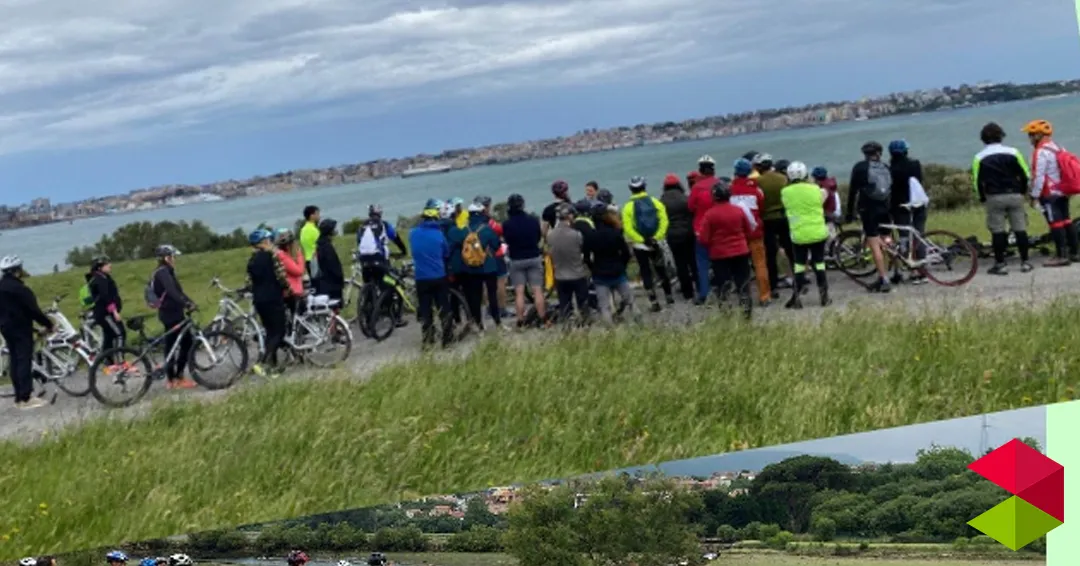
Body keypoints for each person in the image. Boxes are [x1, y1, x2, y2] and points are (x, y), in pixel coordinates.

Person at [973, 122, 1033, 274]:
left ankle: (1000, 264)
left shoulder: (979, 157)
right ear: (1001, 136)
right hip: (1014, 193)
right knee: (1020, 229)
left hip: (994, 196)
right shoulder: (1013, 152)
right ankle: (1025, 262)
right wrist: (1023, 190)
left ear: (983, 139)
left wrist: (982, 197)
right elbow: (1025, 174)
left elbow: (977, 181)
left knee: (997, 231)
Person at [0, 255, 54, 409]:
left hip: (5, 328)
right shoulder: (21, 289)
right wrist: (49, 324)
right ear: (17, 270)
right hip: (21, 329)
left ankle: (19, 397)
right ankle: (26, 397)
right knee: (24, 360)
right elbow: (34, 311)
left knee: (15, 361)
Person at [1023, 119, 1079, 266]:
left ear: (1038, 135)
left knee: (1055, 224)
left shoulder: (1040, 152)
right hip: (1062, 191)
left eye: (1031, 134)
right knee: (1067, 220)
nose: (1029, 138)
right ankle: (1075, 252)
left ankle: (1061, 255)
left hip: (1049, 193)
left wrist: (1034, 196)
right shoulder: (1056, 147)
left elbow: (1038, 176)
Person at [697, 179, 753, 320]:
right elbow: (748, 230)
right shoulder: (738, 211)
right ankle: (747, 315)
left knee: (723, 286)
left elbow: (703, 239)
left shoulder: (710, 215)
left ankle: (726, 315)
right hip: (741, 252)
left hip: (719, 255)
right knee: (743, 285)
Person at [844, 141, 894, 292]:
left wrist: (849, 213)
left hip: (869, 210)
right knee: (887, 240)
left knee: (874, 244)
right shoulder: (885, 167)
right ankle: (895, 271)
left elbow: (853, 191)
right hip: (885, 209)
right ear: (879, 153)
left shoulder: (860, 167)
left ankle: (883, 278)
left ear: (865, 154)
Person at [781, 162, 832, 308]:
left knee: (799, 265)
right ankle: (824, 297)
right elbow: (823, 196)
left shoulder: (785, 192)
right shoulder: (816, 189)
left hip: (799, 233)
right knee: (819, 263)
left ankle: (796, 298)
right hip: (818, 231)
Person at [148, 245, 198, 389]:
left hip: (169, 312)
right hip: (171, 313)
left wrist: (190, 301)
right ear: (166, 258)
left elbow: (178, 292)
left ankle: (172, 380)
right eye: (173, 257)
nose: (174, 259)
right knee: (186, 343)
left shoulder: (163, 272)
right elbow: (172, 292)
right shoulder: (163, 273)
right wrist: (186, 304)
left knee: (172, 345)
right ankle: (177, 378)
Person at [448, 202, 503, 330]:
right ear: (482, 213)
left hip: (472, 268)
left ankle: (479, 325)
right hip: (489, 266)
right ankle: (497, 322)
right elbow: (496, 245)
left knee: (475, 297)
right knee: (492, 295)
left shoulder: (464, 230)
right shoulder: (487, 229)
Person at [621, 175, 673, 311]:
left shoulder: (627, 207)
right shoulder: (655, 202)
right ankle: (669, 296)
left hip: (640, 245)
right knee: (661, 269)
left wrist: (641, 240)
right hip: (656, 242)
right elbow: (664, 221)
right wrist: (656, 237)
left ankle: (654, 301)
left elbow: (628, 229)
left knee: (646, 272)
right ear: (644, 187)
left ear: (631, 189)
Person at [410, 200, 454, 348]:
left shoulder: (413, 234)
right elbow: (446, 253)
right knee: (444, 308)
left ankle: (428, 340)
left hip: (421, 277)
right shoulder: (439, 235)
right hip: (438, 276)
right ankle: (447, 340)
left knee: (425, 310)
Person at [357, 204, 408, 327]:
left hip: (364, 261)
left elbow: (359, 242)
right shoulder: (384, 224)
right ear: (380, 214)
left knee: (369, 287)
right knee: (392, 285)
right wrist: (403, 251)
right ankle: (395, 317)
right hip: (379, 260)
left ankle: (368, 317)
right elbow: (396, 238)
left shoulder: (361, 226)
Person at [583, 202, 635, 325]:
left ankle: (610, 333)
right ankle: (640, 325)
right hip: (617, 271)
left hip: (600, 274)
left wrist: (593, 268)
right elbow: (626, 253)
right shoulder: (616, 233)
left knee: (604, 306)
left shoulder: (590, 236)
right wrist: (622, 265)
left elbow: (586, 258)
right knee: (630, 301)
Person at [246, 229, 289, 374]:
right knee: (279, 331)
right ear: (264, 242)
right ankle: (262, 363)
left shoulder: (251, 260)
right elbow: (281, 276)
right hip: (273, 296)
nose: (271, 243)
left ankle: (273, 366)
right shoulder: (272, 256)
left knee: (269, 332)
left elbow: (249, 282)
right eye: (269, 240)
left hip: (259, 299)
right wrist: (288, 288)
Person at [729, 159, 771, 305]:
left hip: (738, 233)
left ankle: (743, 295)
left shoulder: (729, 190)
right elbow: (761, 208)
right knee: (760, 264)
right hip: (755, 232)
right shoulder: (756, 190)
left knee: (739, 267)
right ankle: (764, 296)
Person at [887, 139, 928, 284]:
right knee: (919, 235)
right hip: (918, 204)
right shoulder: (915, 164)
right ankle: (922, 269)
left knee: (904, 238)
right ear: (906, 151)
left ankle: (912, 269)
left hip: (900, 207)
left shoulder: (890, 169)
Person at [502, 193, 547, 325]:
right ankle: (543, 318)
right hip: (533, 256)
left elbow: (507, 240)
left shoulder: (507, 224)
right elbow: (538, 237)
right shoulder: (533, 220)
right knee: (537, 290)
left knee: (519, 292)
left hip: (516, 259)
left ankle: (520, 320)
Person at [756, 153, 795, 295]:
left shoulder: (758, 181)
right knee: (791, 250)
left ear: (760, 167)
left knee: (770, 254)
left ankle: (772, 285)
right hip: (783, 217)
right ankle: (798, 279)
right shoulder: (783, 178)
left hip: (767, 220)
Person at [547, 203, 591, 323]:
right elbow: (582, 249)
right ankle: (585, 323)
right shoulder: (576, 235)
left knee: (564, 304)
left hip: (560, 275)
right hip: (577, 273)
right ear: (570, 216)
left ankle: (567, 326)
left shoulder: (550, 235)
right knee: (583, 303)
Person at [660, 172, 697, 300]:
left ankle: (688, 293)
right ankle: (700, 286)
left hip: (673, 235)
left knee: (680, 264)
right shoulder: (685, 198)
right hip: (688, 232)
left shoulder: (662, 201)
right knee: (693, 261)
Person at [688, 155, 718, 304]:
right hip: (719, 228)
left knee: (702, 263)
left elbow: (691, 207)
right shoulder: (720, 184)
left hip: (701, 229)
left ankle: (704, 294)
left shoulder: (696, 188)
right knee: (720, 260)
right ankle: (722, 288)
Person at [477, 195, 512, 320]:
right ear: (485, 207)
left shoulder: (473, 222)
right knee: (501, 282)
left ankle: (488, 309)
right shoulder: (489, 222)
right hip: (496, 254)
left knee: (487, 284)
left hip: (481, 256)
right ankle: (501, 308)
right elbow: (501, 230)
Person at [87, 255, 125, 363]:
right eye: (107, 264)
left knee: (109, 335)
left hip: (103, 313)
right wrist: (115, 312)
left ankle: (107, 361)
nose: (110, 265)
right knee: (120, 333)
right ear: (99, 267)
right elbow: (105, 297)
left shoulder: (103, 277)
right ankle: (120, 361)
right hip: (105, 313)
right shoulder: (100, 279)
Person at [274, 228, 306, 317]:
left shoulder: (285, 255)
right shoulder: (282, 256)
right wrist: (299, 255)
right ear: (288, 245)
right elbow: (299, 271)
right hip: (292, 292)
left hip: (294, 291)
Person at [312, 218, 345, 303]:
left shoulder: (319, 244)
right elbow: (333, 265)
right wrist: (340, 277)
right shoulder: (326, 247)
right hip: (332, 283)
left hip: (323, 282)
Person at [812, 166, 843, 235]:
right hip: (836, 212)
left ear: (816, 178)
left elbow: (817, 204)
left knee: (829, 240)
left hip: (830, 215)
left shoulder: (823, 189)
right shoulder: (830, 184)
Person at [299, 205, 321, 275]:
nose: (319, 216)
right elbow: (320, 244)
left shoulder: (303, 230)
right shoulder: (314, 230)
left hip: (307, 259)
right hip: (316, 259)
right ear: (312, 216)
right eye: (317, 214)